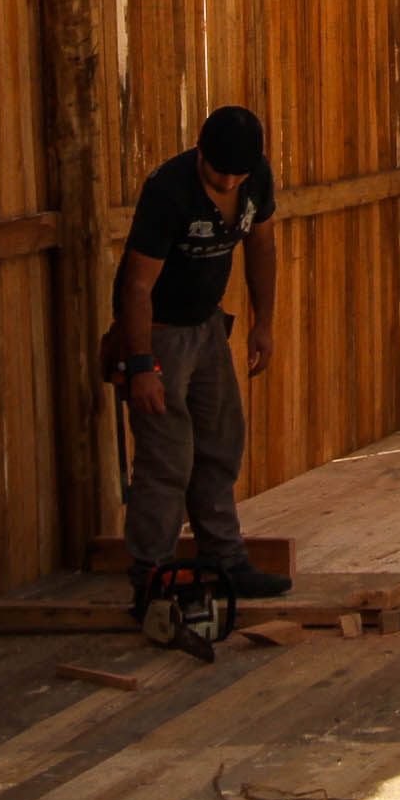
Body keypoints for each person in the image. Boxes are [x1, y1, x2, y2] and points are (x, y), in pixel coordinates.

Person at [108, 104, 294, 610]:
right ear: (199, 153)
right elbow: (136, 285)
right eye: (218, 172)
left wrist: (263, 323)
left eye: (239, 174)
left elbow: (262, 248)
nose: (228, 182)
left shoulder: (255, 180)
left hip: (208, 325)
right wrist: (141, 364)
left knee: (220, 444)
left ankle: (225, 562)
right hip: (159, 332)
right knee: (167, 460)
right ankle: (151, 574)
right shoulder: (168, 191)